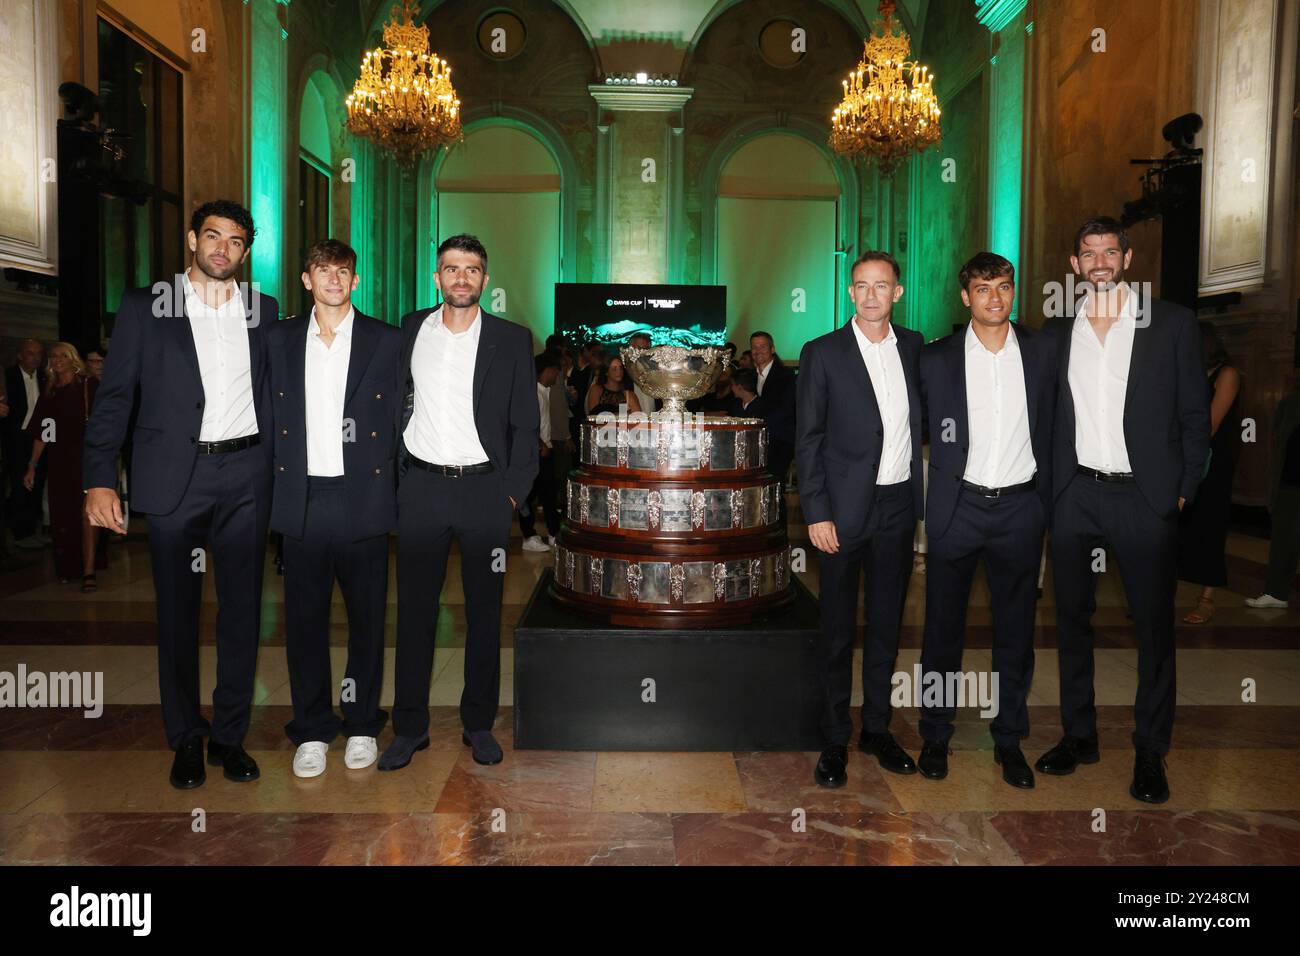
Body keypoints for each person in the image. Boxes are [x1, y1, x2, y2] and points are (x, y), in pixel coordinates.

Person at [85, 199, 278, 790]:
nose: (224, 249)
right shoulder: (147, 307)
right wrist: (98, 476)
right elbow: (115, 396)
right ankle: (185, 738)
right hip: (176, 479)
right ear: (193, 240)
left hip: (246, 475)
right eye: (214, 237)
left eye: (236, 241)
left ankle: (229, 736)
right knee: (177, 616)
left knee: (243, 615)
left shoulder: (262, 310)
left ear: (246, 252)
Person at [1038, 216, 1210, 804]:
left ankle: (1149, 750)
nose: (1101, 261)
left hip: (1145, 495)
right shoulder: (1058, 332)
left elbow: (1195, 417)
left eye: (1111, 250)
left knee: (1153, 626)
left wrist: (1182, 489)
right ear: (1075, 265)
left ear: (1128, 259)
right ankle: (1079, 736)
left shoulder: (1173, 325)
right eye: (1090, 253)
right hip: (1076, 495)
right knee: (1071, 622)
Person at [380, 234, 538, 771]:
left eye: (472, 269)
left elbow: (525, 425)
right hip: (421, 489)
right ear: (437, 278)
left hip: (484, 492)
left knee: (485, 614)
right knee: (414, 615)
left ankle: (477, 724)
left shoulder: (513, 339)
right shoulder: (409, 329)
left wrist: (512, 493)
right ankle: (409, 728)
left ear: (485, 280)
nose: (462, 278)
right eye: (452, 269)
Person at [915, 253, 1057, 788]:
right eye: (982, 288)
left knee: (1016, 633)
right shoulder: (936, 359)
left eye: (1003, 286)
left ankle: (1009, 739)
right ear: (965, 296)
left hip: (1021, 508)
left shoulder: (1044, 352)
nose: (994, 297)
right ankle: (934, 733)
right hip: (958, 508)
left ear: (1013, 291)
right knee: (941, 630)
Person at [267, 239, 401, 777]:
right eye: (323, 270)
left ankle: (364, 723)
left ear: (355, 281)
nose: (334, 279)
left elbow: (398, 419)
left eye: (343, 271)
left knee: (367, 619)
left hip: (362, 497)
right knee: (303, 622)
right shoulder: (278, 340)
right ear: (307, 280)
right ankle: (313, 729)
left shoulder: (385, 341)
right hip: (302, 498)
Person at [797, 250, 924, 788]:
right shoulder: (822, 353)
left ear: (897, 292)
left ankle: (875, 727)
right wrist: (816, 511)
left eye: (882, 285)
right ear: (851, 293)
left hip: (898, 506)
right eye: (862, 285)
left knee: (887, 623)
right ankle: (833, 737)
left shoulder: (917, 348)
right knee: (837, 628)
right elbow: (809, 440)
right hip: (843, 513)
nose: (872, 294)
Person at [23, 342, 106, 589]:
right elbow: (43, 434)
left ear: (73, 359)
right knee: (64, 516)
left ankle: (89, 570)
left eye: (62, 356)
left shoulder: (89, 386)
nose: (57, 360)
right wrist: (32, 465)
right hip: (60, 462)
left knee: (87, 512)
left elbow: (107, 422)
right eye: (53, 356)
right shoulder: (50, 392)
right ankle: (70, 566)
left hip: (87, 458)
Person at [1177, 322, 1241, 623]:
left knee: (1210, 525)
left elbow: (1211, 423)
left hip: (1213, 462)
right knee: (1179, 527)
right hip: (1186, 458)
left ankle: (1207, 599)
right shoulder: (1189, 373)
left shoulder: (1227, 374)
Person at [1246, 368, 1300, 608]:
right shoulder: (1290, 404)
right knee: (1283, 540)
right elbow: (1279, 445)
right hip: (1290, 484)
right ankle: (1276, 593)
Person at [4, 339, 48, 549]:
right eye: (30, 353)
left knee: (37, 482)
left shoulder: (45, 377)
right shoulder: (8, 376)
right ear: (20, 355)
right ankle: (20, 533)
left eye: (39, 353)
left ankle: (32, 529)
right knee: (19, 484)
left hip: (38, 437)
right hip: (15, 438)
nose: (36, 358)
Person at [751, 331, 797, 523]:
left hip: (779, 442)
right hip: (754, 443)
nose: (758, 351)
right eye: (754, 347)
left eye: (762, 346)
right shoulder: (748, 375)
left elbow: (786, 410)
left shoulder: (786, 376)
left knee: (774, 489)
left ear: (772, 349)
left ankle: (779, 531)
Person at [521, 351, 562, 552]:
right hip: (535, 453)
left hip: (545, 450)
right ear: (547, 371)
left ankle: (553, 533)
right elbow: (526, 423)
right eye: (556, 371)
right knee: (531, 495)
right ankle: (529, 535)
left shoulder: (544, 392)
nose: (557, 376)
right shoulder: (532, 394)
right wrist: (540, 444)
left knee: (547, 494)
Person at [626, 331, 658, 414]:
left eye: (646, 349)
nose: (643, 353)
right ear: (630, 349)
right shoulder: (622, 373)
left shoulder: (656, 372)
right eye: (639, 349)